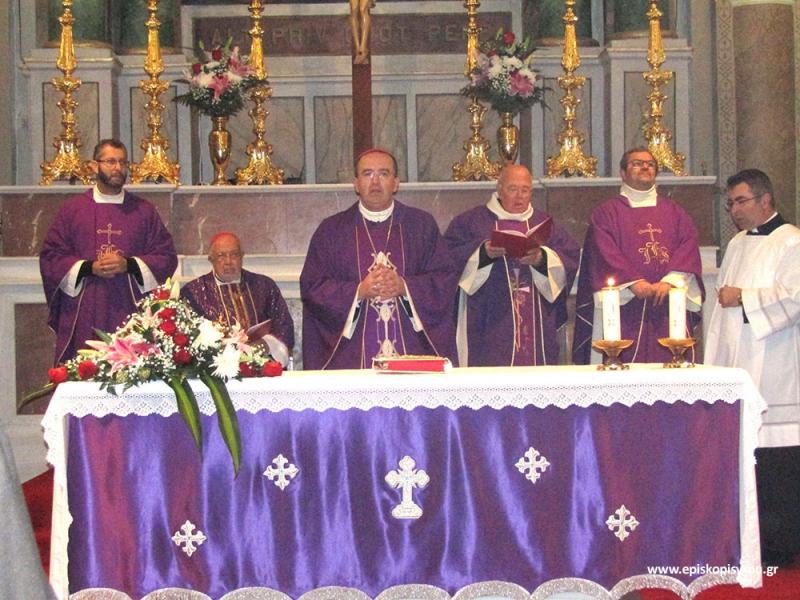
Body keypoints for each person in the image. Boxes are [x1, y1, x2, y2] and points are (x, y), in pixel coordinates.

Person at [705, 168, 800, 567]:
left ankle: (781, 544)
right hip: (740, 362)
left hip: (777, 365)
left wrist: (744, 297)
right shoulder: (738, 243)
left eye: (740, 201)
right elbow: (722, 308)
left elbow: (794, 298)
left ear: (765, 200)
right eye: (730, 203)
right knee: (746, 456)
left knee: (778, 461)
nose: (734, 210)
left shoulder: (791, 240)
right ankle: (750, 538)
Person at [300, 148, 457, 370]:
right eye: (367, 174)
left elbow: (444, 278)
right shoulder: (332, 230)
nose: (375, 182)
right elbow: (312, 286)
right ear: (356, 184)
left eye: (383, 174)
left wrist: (404, 287)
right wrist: (358, 292)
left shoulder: (421, 225)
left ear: (396, 183)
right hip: (353, 357)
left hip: (411, 350)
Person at [39, 139, 177, 365]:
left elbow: (166, 256)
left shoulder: (143, 211)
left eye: (123, 162)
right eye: (111, 162)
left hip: (131, 308)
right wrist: (89, 267)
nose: (118, 168)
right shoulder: (73, 210)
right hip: (86, 309)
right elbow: (51, 257)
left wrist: (128, 264)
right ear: (94, 166)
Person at [572, 147, 704, 364]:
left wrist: (670, 282)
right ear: (623, 173)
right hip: (624, 304)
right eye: (637, 163)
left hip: (666, 303)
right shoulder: (606, 213)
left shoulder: (675, 212)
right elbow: (602, 251)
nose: (645, 167)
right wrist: (633, 282)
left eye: (650, 164)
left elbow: (687, 247)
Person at [444, 164, 580, 366]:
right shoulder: (471, 222)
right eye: (512, 189)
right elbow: (447, 260)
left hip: (537, 328)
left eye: (525, 190)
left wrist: (542, 259)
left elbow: (570, 256)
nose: (519, 196)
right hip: (487, 326)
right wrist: (483, 253)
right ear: (499, 189)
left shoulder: (544, 224)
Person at [181, 232, 295, 367]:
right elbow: (186, 336)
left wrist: (264, 344)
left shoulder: (264, 286)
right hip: (214, 369)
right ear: (211, 259)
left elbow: (283, 325)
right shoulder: (194, 292)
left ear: (242, 256)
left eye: (234, 254)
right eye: (221, 256)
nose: (228, 261)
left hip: (261, 365)